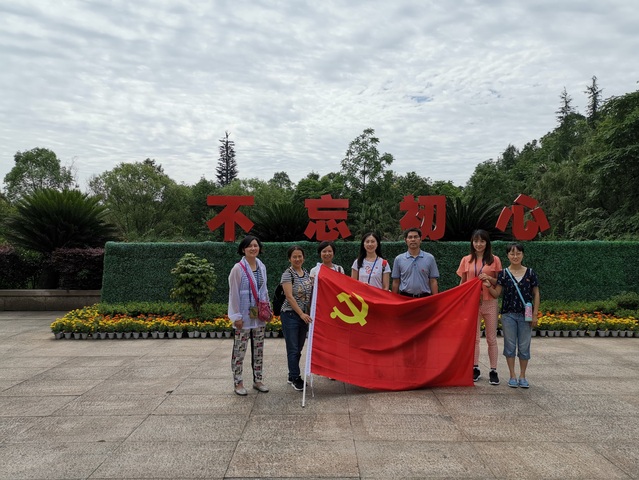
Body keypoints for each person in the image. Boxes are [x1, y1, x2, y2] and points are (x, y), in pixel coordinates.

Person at [484, 242, 540, 389]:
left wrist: (535, 314)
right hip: (508, 314)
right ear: (507, 255)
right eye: (512, 253)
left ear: (523, 254)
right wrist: (489, 286)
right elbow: (497, 293)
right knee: (510, 346)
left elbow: (536, 293)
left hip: (526, 315)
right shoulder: (503, 273)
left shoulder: (530, 273)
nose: (515, 256)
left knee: (524, 346)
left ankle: (523, 376)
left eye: (518, 253)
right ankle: (512, 376)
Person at [456, 229, 503, 385]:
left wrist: (488, 277)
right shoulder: (466, 260)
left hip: (490, 302)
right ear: (472, 242)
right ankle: (474, 367)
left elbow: (499, 281)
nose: (479, 244)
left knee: (491, 338)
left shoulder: (494, 260)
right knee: (474, 339)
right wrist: (459, 300)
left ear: (487, 243)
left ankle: (493, 370)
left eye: (482, 241)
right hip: (472, 303)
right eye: (476, 241)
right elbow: (463, 282)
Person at [227, 235, 270, 396]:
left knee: (258, 349)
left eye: (255, 245)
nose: (253, 248)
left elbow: (264, 290)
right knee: (239, 350)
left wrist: (268, 309)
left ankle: (258, 380)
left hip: (258, 315)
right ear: (243, 249)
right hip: (243, 316)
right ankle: (238, 382)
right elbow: (233, 293)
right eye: (249, 246)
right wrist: (236, 316)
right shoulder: (237, 269)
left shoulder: (261, 266)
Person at [280, 245, 314, 391]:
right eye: (294, 256)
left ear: (303, 258)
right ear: (290, 259)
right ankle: (295, 377)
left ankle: (291, 374)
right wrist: (301, 314)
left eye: (300, 256)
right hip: (290, 315)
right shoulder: (287, 274)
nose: (297, 259)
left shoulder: (306, 273)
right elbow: (289, 297)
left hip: (303, 316)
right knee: (293, 348)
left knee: (298, 348)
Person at [391, 227, 439, 297]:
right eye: (410, 237)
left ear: (420, 239)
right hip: (405, 298)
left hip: (424, 298)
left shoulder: (430, 258)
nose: (413, 239)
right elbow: (396, 281)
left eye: (416, 237)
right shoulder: (399, 259)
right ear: (405, 240)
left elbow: (433, 281)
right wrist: (393, 299)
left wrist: (436, 299)